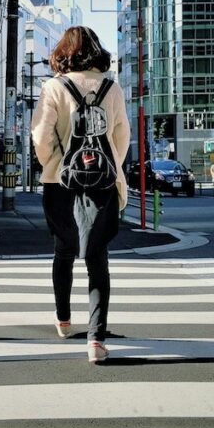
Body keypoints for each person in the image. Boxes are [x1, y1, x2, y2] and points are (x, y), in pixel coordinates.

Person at [31, 26, 130, 364]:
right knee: (97, 258)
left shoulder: (53, 87)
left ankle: (63, 319)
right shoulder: (112, 88)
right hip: (102, 184)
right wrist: (108, 168)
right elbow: (122, 138)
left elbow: (41, 137)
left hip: (61, 184)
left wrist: (54, 165)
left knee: (63, 251)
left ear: (63, 52)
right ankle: (96, 340)